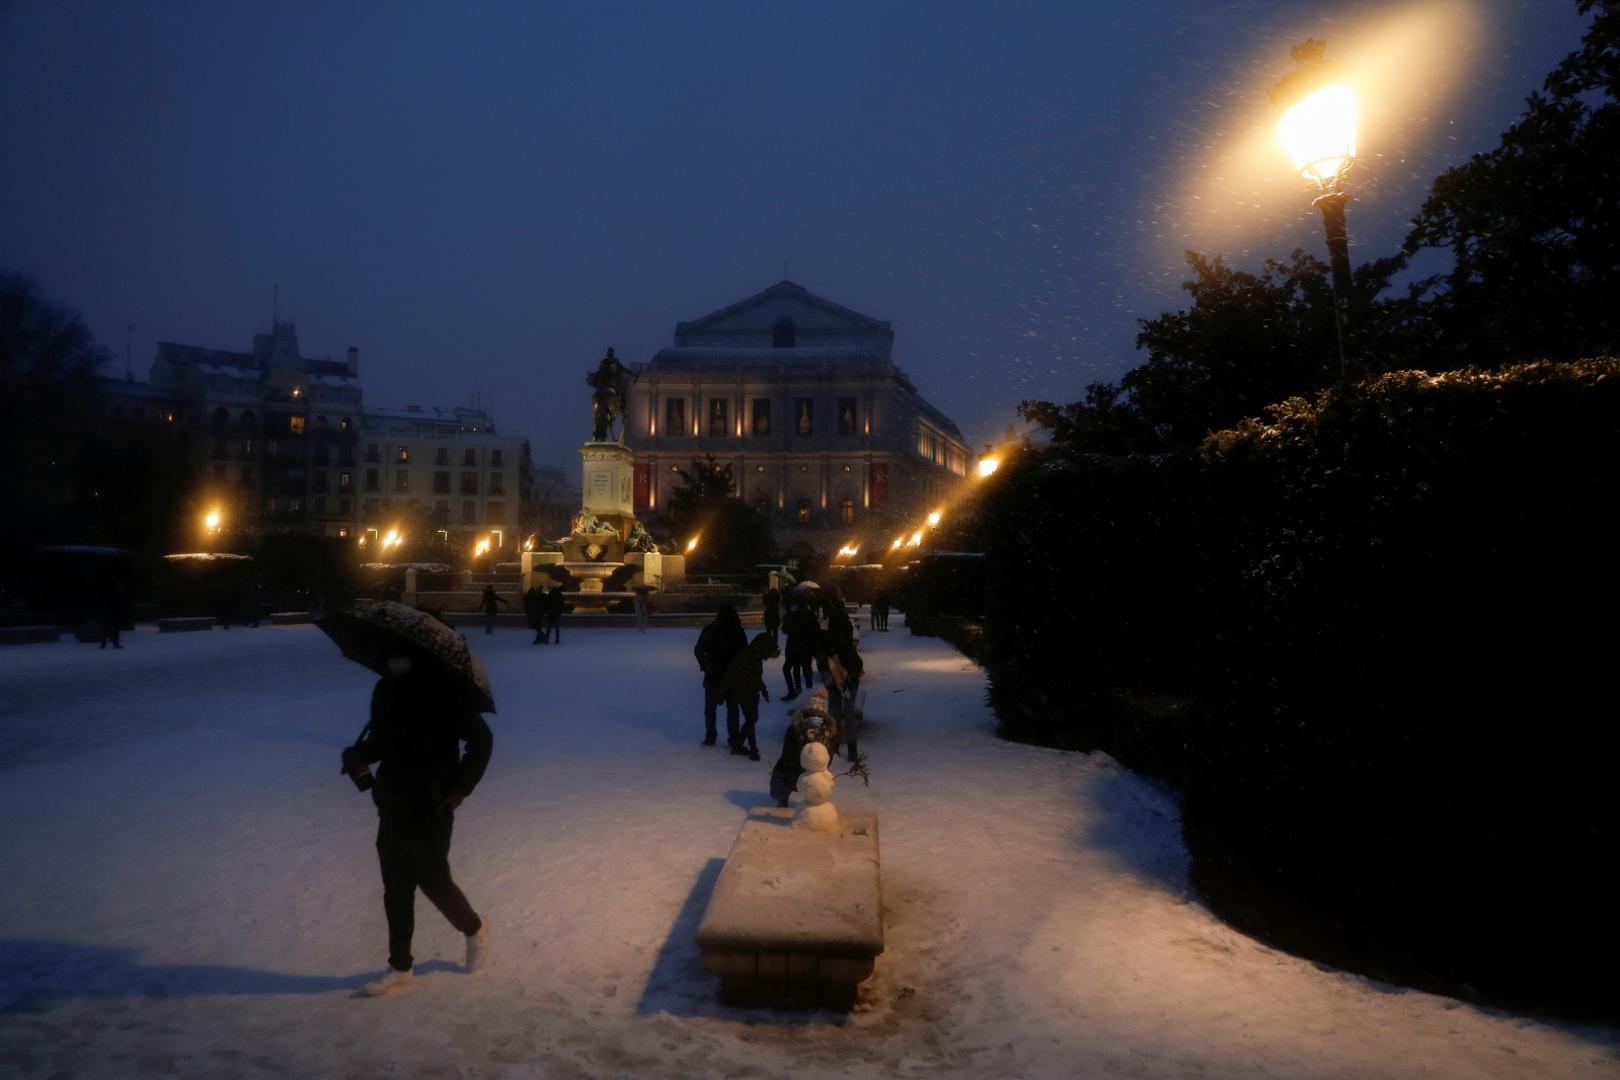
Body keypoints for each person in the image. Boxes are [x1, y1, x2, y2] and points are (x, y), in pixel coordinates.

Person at [342, 650, 494, 996]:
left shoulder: (445, 690)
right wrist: (360, 756)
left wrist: (459, 788)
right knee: (395, 886)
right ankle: (400, 966)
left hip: (432, 802)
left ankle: (474, 928)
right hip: (392, 799)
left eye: (400, 654)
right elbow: (381, 741)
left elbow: (481, 740)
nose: (394, 659)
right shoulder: (385, 689)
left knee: (433, 880)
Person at [770, 691, 839, 807]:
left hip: (814, 770)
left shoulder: (827, 733)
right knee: (782, 776)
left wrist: (814, 765)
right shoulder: (795, 729)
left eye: (819, 716)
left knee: (821, 782)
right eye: (811, 715)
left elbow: (828, 758)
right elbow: (787, 754)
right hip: (792, 767)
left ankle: (817, 803)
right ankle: (782, 799)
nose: (815, 718)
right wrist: (804, 763)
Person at [719, 632, 779, 761]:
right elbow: (732, 673)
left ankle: (738, 741)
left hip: (748, 690)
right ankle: (750, 748)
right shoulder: (745, 657)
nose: (767, 658)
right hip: (740, 690)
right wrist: (722, 692)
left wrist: (763, 689)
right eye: (768, 655)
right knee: (751, 718)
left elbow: (756, 676)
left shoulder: (755, 656)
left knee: (752, 718)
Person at [693, 604, 747, 748]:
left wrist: (706, 665)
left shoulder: (710, 630)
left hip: (713, 674)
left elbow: (698, 650)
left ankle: (710, 736)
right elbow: (744, 655)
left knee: (711, 709)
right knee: (732, 708)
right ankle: (733, 737)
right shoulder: (738, 631)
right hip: (731, 676)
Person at [780, 598, 815, 700]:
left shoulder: (806, 615)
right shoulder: (790, 615)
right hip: (793, 645)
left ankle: (805, 691)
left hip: (802, 646)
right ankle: (795, 691)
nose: (793, 606)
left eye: (795, 604)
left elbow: (812, 630)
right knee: (788, 668)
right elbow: (785, 630)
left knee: (802, 669)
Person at [97, 578, 126, 650]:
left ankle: (105, 644)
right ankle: (112, 644)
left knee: (107, 629)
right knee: (111, 629)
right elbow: (118, 603)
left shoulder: (112, 592)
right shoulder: (116, 593)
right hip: (112, 613)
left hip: (109, 613)